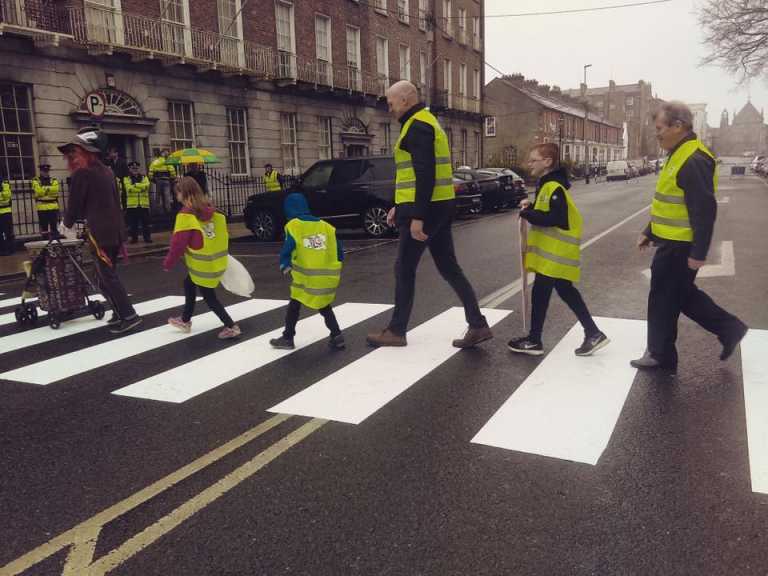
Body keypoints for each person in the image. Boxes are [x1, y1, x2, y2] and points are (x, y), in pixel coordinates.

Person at [366, 80, 492, 348]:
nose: (389, 108)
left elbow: (425, 174)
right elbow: (414, 175)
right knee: (448, 267)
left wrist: (417, 217)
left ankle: (396, 331)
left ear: (404, 100)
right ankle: (478, 325)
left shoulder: (417, 126)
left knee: (404, 269)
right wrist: (399, 206)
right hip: (439, 205)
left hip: (428, 209)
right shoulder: (426, 122)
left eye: (390, 102)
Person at [632, 101, 748, 371]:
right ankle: (728, 329)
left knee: (663, 297)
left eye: (659, 128)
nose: (656, 134)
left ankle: (661, 354)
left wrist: (698, 253)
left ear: (678, 126)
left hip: (680, 246)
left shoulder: (693, 159)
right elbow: (671, 203)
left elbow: (703, 211)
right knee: (679, 295)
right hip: (672, 241)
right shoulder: (679, 153)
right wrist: (649, 231)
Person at [508, 143, 609, 356]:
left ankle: (534, 340)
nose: (529, 164)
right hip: (554, 253)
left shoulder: (553, 187)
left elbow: (556, 218)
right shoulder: (548, 186)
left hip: (555, 254)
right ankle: (593, 333)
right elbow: (547, 211)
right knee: (565, 290)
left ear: (547, 162)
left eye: (533, 160)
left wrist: (528, 214)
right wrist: (531, 207)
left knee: (541, 293)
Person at [59, 128, 142, 334]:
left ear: (88, 152)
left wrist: (65, 226)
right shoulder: (107, 170)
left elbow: (74, 206)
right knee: (102, 276)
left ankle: (128, 315)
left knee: (107, 276)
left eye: (75, 152)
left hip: (100, 233)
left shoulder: (82, 173)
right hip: (114, 231)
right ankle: (118, 312)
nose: (71, 157)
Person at [164, 176, 241, 340]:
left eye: (177, 193)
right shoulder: (209, 211)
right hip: (211, 261)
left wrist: (168, 263)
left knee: (209, 297)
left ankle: (231, 326)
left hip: (201, 265)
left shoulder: (186, 215)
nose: (176, 196)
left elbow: (178, 243)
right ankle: (185, 320)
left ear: (184, 194)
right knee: (189, 283)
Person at [269, 193, 345, 350]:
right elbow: (339, 250)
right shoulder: (326, 226)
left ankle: (288, 337)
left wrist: (284, 265)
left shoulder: (294, 225)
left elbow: (287, 249)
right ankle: (337, 335)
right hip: (326, 277)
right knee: (324, 305)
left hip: (304, 278)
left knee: (294, 306)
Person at [123, 161, 152, 244]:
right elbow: (129, 188)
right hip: (132, 205)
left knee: (145, 223)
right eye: (133, 168)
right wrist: (141, 187)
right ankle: (134, 239)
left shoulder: (144, 177)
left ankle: (147, 238)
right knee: (133, 223)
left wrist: (135, 185)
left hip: (143, 204)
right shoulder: (126, 178)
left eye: (136, 168)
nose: (135, 170)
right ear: (129, 169)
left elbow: (147, 186)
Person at [32, 164, 60, 240]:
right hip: (42, 207)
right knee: (44, 229)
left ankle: (55, 243)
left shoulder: (53, 180)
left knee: (54, 228)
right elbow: (38, 191)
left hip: (53, 206)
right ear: (40, 171)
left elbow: (56, 190)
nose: (45, 173)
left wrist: (44, 190)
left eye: (47, 171)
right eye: (44, 171)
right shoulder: (36, 180)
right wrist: (49, 190)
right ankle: (45, 243)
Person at [148, 149, 177, 213]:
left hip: (158, 180)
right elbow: (172, 171)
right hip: (166, 180)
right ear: (163, 154)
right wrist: (172, 178)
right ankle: (168, 210)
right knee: (167, 196)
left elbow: (150, 172)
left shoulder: (154, 162)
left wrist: (153, 179)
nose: (167, 154)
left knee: (158, 196)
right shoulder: (167, 161)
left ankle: (158, 211)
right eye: (166, 153)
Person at [0, 176, 13, 255]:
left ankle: (10, 249)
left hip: (6, 211)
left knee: (8, 232)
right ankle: (2, 249)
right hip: (5, 210)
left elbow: (7, 197)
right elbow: (4, 198)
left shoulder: (5, 184)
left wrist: (2, 194)